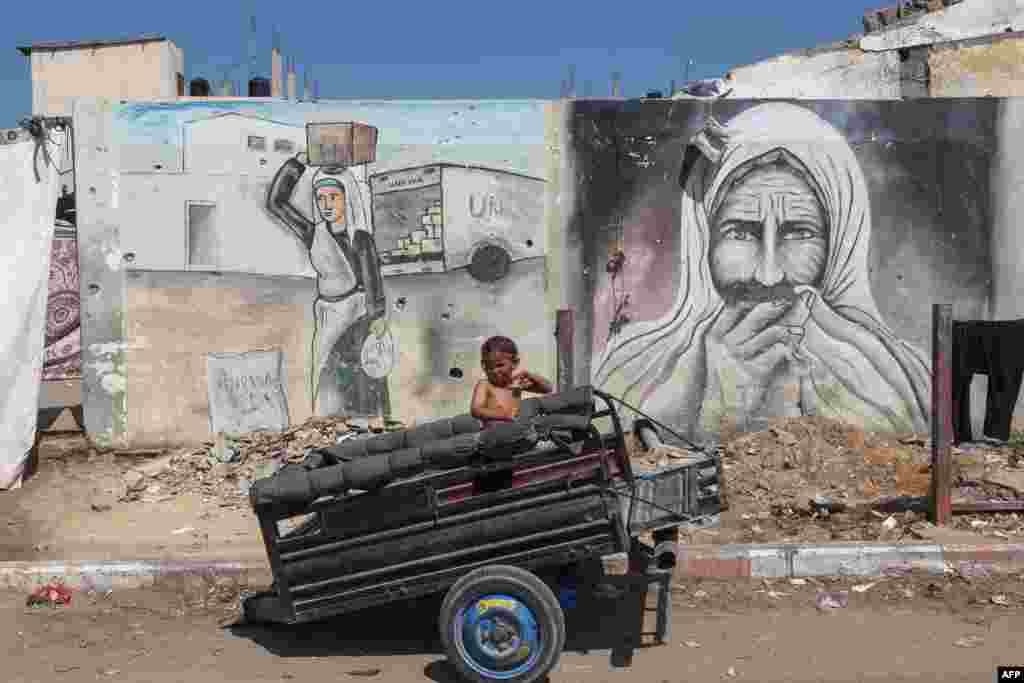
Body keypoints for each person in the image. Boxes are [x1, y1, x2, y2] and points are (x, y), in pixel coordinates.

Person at [593, 102, 931, 443]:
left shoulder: (906, 380)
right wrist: (702, 396)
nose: (769, 276)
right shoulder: (631, 368)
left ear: (838, 245)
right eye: (740, 232)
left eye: (799, 233)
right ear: (705, 241)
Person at [266, 152, 390, 418]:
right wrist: (297, 164)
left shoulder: (361, 240)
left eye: (333, 197)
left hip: (357, 319)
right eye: (320, 198)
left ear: (347, 198)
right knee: (324, 380)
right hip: (327, 318)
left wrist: (377, 317)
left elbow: (372, 283)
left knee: (360, 381)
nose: (326, 204)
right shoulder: (313, 233)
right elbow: (276, 203)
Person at [471, 336, 553, 426]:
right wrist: (504, 415)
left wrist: (529, 375)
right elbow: (476, 409)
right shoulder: (485, 384)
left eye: (499, 365)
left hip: (515, 430)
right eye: (489, 366)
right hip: (493, 433)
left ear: (515, 363)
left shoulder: (516, 383)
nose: (494, 371)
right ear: (483, 364)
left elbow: (547, 389)